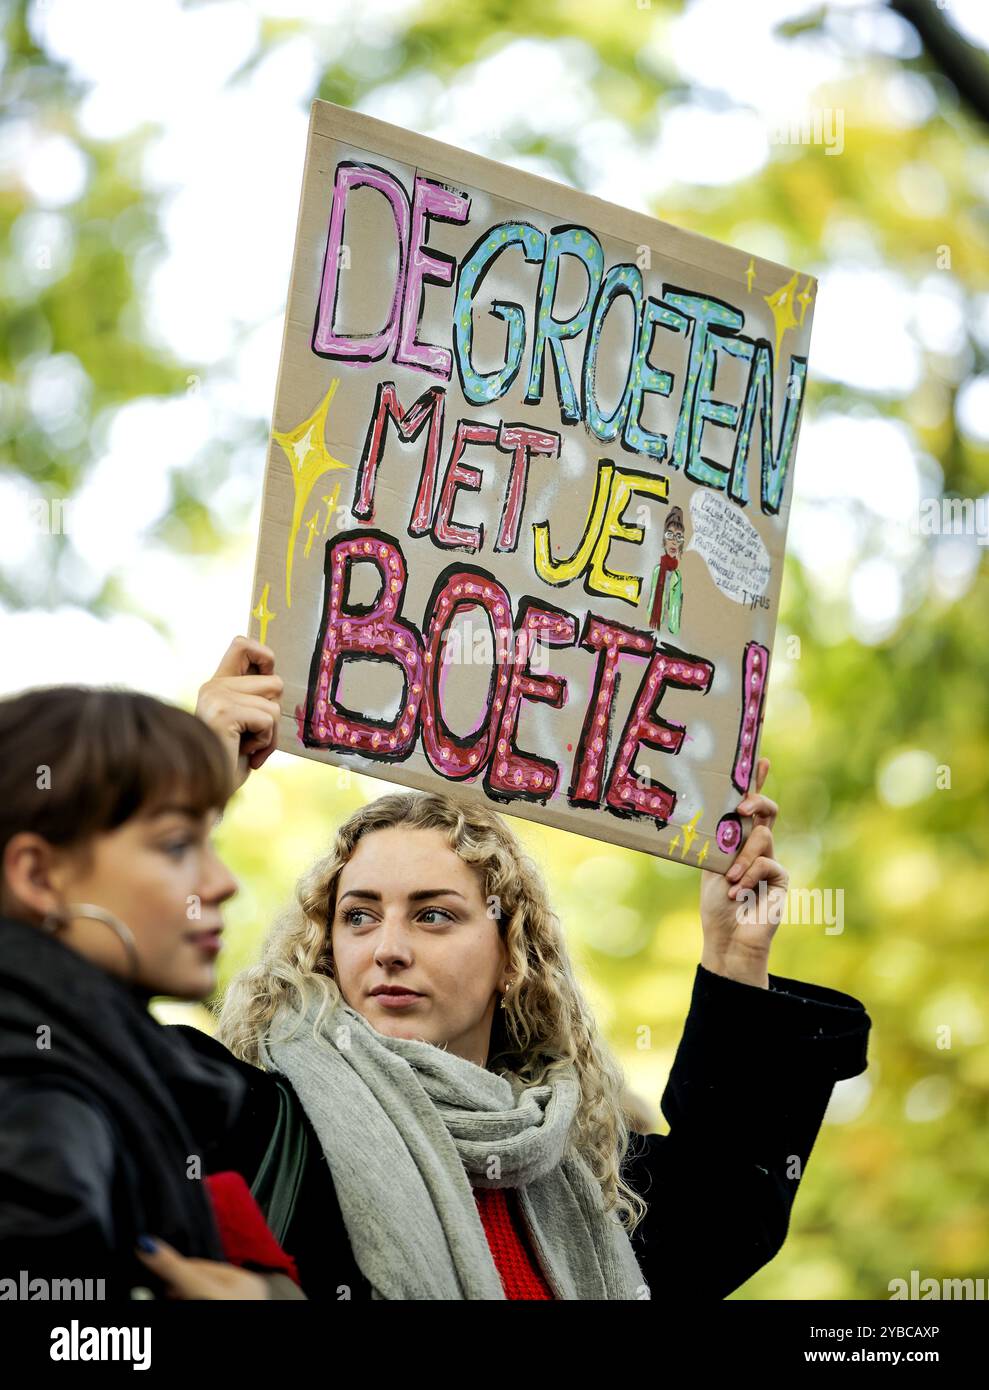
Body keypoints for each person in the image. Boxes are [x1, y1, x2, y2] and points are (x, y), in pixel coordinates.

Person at [179, 636, 872, 1300]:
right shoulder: (259, 1127)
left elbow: (723, 1210)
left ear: (511, 958)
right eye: (358, 915)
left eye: (433, 914)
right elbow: (82, 1037)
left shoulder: (586, 1173)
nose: (386, 946)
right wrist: (187, 796)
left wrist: (734, 954)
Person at [0, 685, 302, 1300]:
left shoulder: (93, 1068)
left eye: (208, 841)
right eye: (175, 846)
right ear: (37, 876)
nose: (220, 884)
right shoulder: (40, 1100)